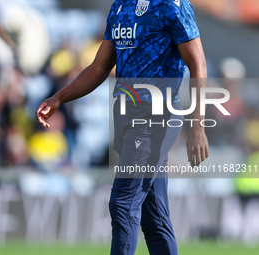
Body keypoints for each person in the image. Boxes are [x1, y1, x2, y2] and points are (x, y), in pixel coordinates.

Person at [36, 0, 209, 254]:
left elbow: (198, 65)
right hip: (127, 118)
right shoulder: (120, 6)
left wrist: (198, 126)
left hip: (155, 118)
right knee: (154, 217)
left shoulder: (172, 5)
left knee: (123, 202)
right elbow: (99, 67)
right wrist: (59, 97)